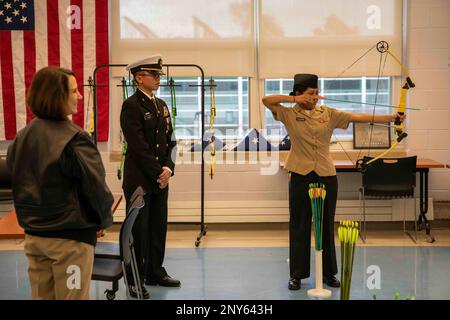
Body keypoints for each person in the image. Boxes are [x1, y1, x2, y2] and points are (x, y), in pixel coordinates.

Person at [262, 73, 406, 290]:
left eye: (316, 93)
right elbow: (266, 100)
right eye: (310, 94)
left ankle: (329, 273)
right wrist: (295, 100)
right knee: (299, 224)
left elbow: (358, 117)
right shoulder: (287, 113)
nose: (315, 97)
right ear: (300, 94)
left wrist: (391, 118)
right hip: (300, 174)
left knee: (326, 224)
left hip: (326, 174)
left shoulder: (328, 113)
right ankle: (297, 275)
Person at [6, 66, 114, 300]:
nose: (80, 96)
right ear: (56, 96)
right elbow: (96, 188)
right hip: (71, 241)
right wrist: (103, 219)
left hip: (35, 238)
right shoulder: (76, 140)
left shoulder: (22, 137)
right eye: (74, 91)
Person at [120, 55, 179, 299]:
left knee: (158, 227)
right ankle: (135, 277)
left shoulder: (162, 105)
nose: (157, 79)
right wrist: (158, 172)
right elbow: (138, 146)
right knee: (139, 231)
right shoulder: (131, 105)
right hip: (140, 180)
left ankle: (155, 270)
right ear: (138, 78)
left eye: (158, 76)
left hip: (160, 178)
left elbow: (171, 141)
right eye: (153, 75)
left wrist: (169, 169)